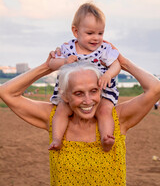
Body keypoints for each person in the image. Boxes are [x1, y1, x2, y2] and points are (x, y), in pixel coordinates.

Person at [0, 51, 160, 186]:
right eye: (78, 93)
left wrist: (122, 61)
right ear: (65, 95)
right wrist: (46, 67)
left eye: (93, 91)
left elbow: (155, 89)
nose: (88, 100)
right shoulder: (54, 119)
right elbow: (6, 92)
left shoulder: (116, 119)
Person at [48, 3, 121, 151]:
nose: (96, 38)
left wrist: (108, 74)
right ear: (76, 31)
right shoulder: (68, 48)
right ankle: (56, 139)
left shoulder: (104, 49)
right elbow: (51, 63)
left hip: (102, 87)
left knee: (104, 110)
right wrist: (63, 61)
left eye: (100, 33)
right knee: (61, 110)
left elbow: (117, 65)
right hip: (72, 89)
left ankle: (106, 138)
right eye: (90, 33)